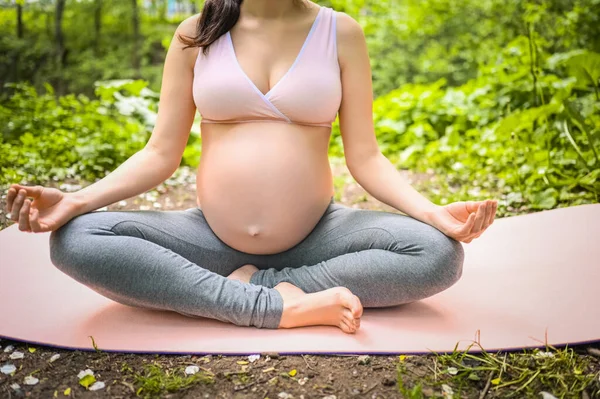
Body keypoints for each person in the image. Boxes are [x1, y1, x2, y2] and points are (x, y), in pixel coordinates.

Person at [5, 0, 497, 334]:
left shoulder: (339, 31)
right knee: (76, 239)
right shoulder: (196, 33)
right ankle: (280, 307)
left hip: (319, 236)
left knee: (437, 254)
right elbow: (160, 154)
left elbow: (364, 157)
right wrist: (77, 200)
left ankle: (253, 289)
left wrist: (430, 212)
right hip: (210, 240)